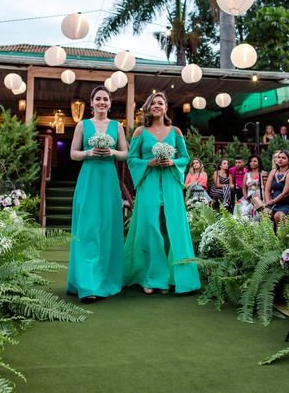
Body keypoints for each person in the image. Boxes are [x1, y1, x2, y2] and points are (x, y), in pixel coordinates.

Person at [124, 91, 200, 295]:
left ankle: (174, 277)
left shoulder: (175, 132)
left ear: (166, 107)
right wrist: (148, 162)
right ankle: (152, 277)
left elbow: (185, 158)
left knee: (171, 228)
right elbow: (131, 159)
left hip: (170, 185)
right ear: (148, 108)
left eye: (161, 103)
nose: (157, 106)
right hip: (148, 184)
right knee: (150, 228)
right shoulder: (140, 132)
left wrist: (172, 161)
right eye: (153, 103)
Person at [67, 86, 128, 303]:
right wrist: (88, 152)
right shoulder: (82, 125)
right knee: (88, 227)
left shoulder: (117, 126)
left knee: (107, 228)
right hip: (89, 179)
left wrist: (112, 151)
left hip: (109, 181)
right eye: (98, 99)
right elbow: (73, 153)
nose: (102, 102)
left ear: (110, 103)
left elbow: (125, 153)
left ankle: (106, 278)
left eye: (106, 99)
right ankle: (87, 284)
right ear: (91, 103)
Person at [264, 150, 289, 225]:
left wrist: (272, 202)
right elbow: (267, 189)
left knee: (278, 216)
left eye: (283, 158)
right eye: (279, 157)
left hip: (288, 204)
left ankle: (283, 236)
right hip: (274, 203)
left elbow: (285, 193)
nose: (280, 159)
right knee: (265, 213)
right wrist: (268, 201)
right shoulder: (273, 172)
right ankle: (269, 236)